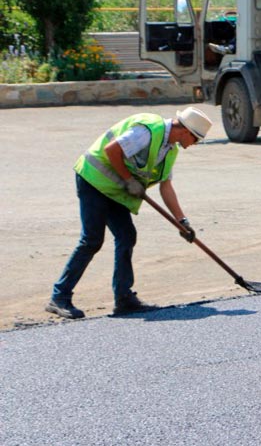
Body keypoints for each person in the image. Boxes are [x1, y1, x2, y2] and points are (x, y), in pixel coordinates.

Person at [46, 107, 214, 319]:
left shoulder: (170, 149)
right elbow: (112, 149)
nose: (194, 145)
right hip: (93, 180)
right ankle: (59, 297)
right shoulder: (147, 131)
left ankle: (124, 299)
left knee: (126, 236)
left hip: (115, 189)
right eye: (196, 139)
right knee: (92, 240)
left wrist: (182, 222)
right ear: (186, 131)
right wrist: (128, 180)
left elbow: (166, 187)